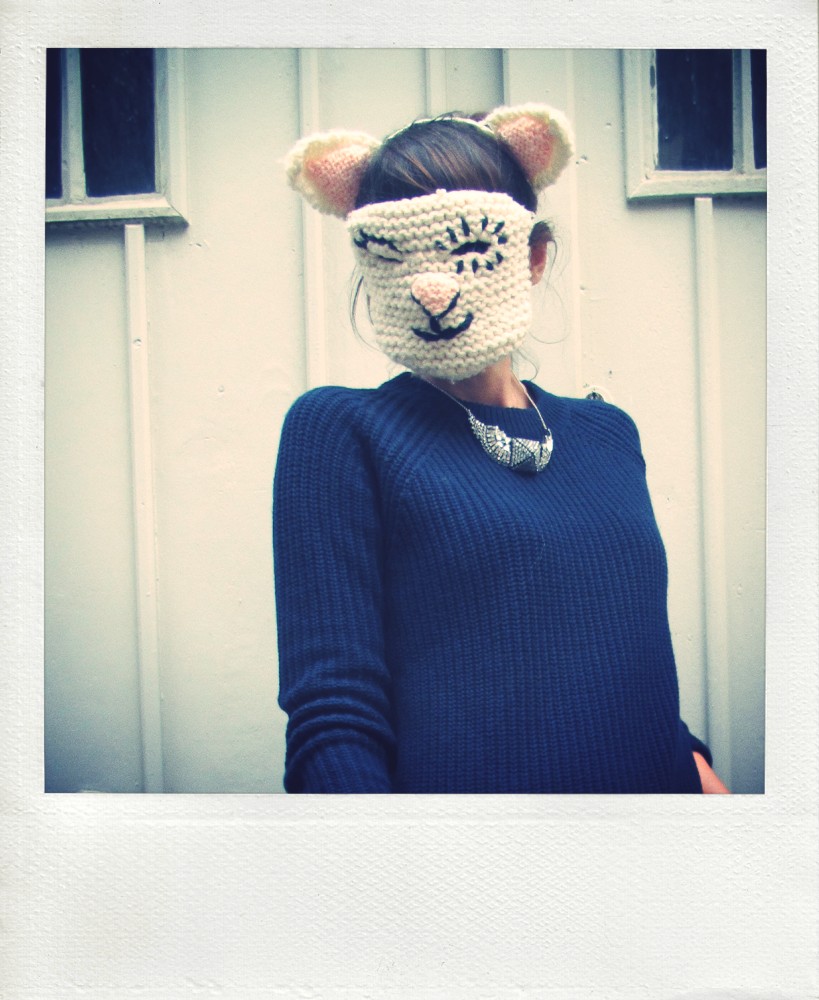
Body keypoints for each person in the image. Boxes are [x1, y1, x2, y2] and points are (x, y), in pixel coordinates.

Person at [274, 103, 730, 794]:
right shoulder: (343, 431)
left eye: (466, 249)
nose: (433, 286)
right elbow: (334, 716)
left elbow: (626, 661)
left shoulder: (608, 434)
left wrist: (701, 778)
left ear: (533, 258)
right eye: (397, 255)